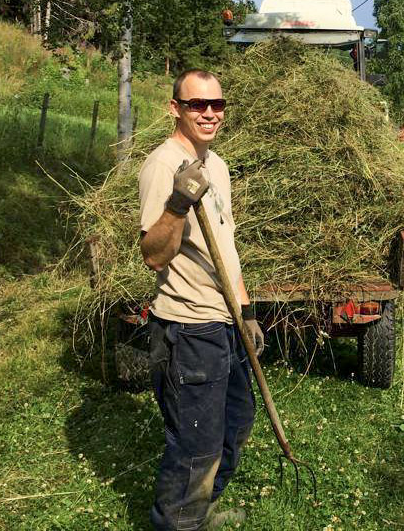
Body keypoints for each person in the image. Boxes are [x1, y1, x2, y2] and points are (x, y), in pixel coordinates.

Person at [139, 69, 265, 529]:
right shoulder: (162, 166)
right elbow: (154, 255)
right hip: (188, 329)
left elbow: (226, 249)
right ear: (176, 108)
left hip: (226, 322)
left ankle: (203, 508)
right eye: (197, 104)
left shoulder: (218, 165)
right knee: (195, 449)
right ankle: (179, 521)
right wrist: (177, 204)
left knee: (237, 422)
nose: (209, 113)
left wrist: (247, 311)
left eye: (216, 105)